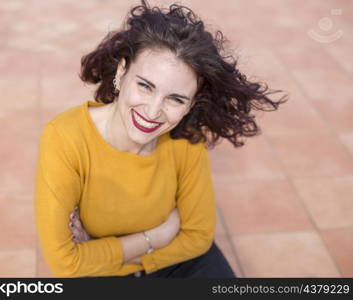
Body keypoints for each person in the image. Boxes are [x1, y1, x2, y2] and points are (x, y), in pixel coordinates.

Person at [34, 0, 287, 278]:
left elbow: (198, 237)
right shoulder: (64, 138)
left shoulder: (187, 140)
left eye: (176, 99)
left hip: (165, 260)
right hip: (128, 261)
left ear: (191, 104)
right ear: (121, 73)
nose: (153, 112)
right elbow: (65, 263)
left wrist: (105, 252)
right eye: (145, 86)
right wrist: (157, 236)